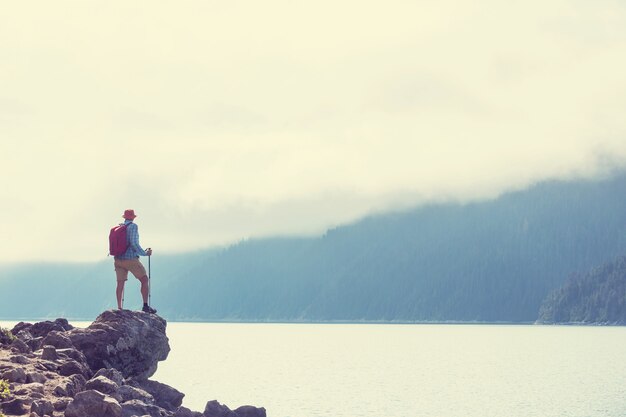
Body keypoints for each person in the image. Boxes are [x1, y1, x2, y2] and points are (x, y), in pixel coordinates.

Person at [114, 209, 157, 313]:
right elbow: (134, 243)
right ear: (133, 217)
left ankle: (119, 308)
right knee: (144, 279)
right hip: (130, 259)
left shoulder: (118, 227)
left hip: (118, 259)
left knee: (120, 283)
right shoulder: (133, 226)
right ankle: (145, 306)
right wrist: (145, 253)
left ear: (124, 217)